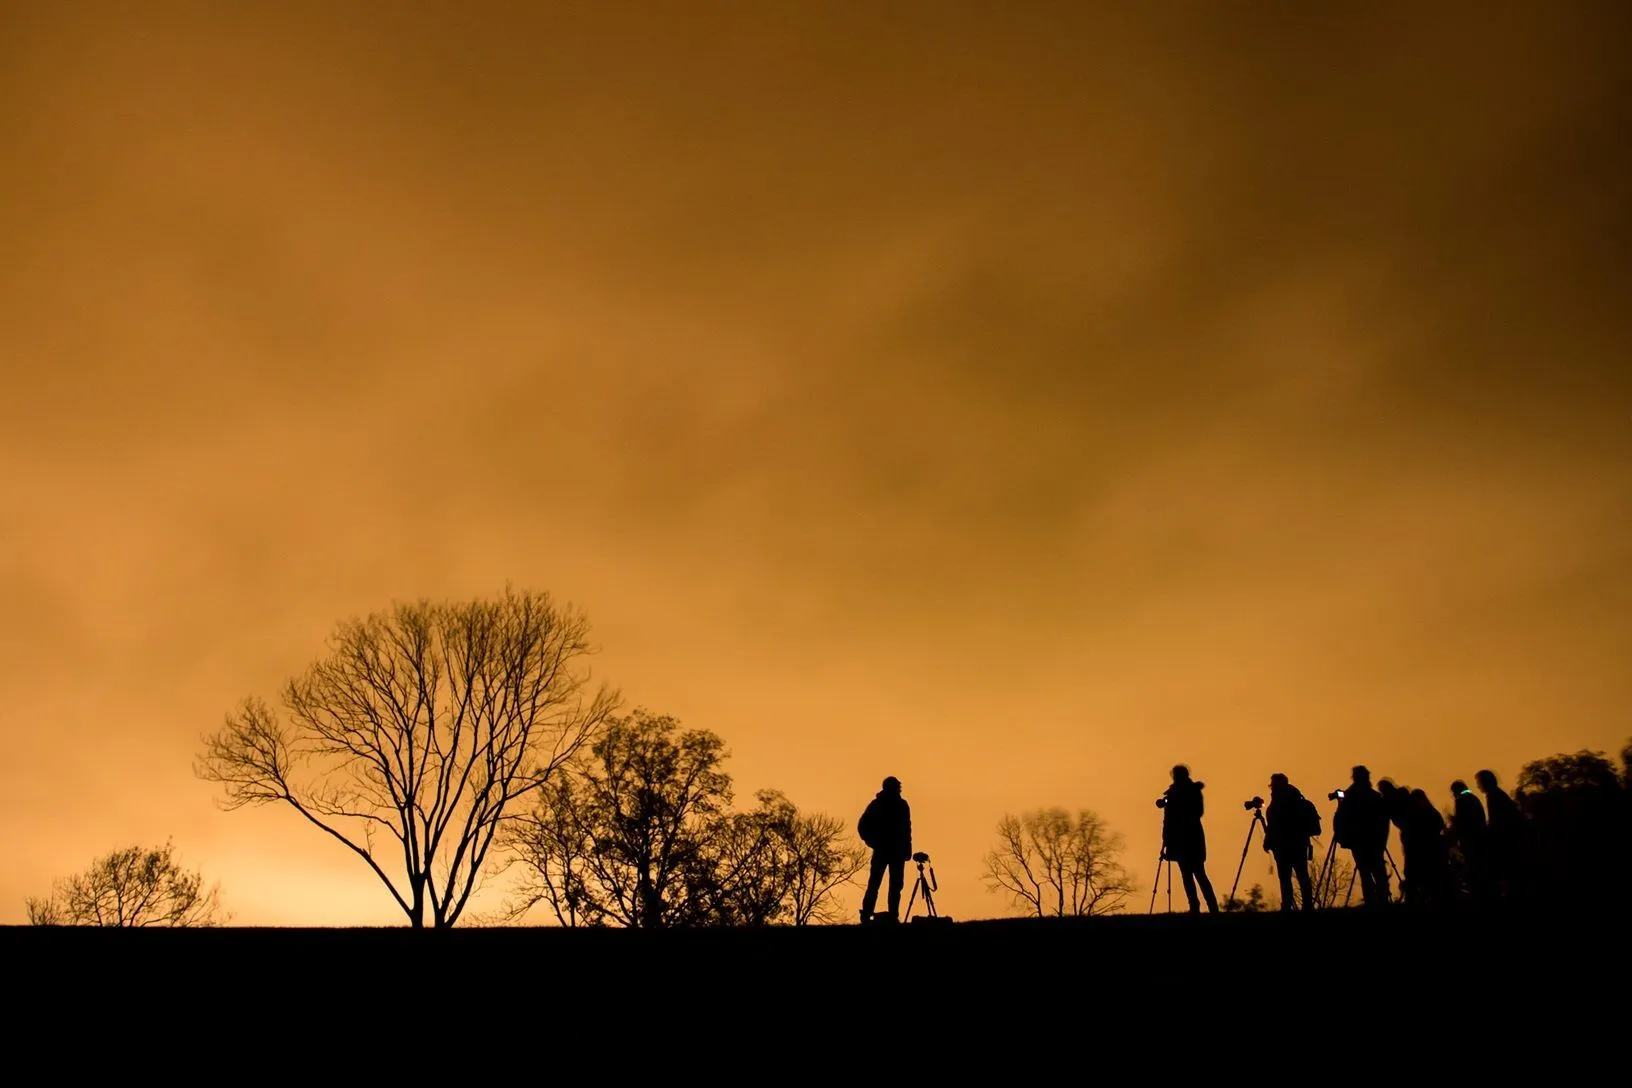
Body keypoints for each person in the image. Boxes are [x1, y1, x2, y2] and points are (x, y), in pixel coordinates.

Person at [1159, 764, 1218, 913]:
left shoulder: (1192, 791)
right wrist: (1166, 837)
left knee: (1198, 873)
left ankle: (1211, 906)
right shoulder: (1172, 794)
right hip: (1179, 838)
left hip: (1191, 837)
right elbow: (1168, 819)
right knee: (1187, 874)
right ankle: (1195, 906)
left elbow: (1198, 812)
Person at [856, 776, 912, 923]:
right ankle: (867, 914)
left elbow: (907, 829)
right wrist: (873, 842)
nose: (898, 790)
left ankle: (893, 916)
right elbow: (862, 826)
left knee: (895, 886)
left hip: (897, 852)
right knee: (875, 884)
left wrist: (907, 849)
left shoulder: (902, 805)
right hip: (882, 851)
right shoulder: (877, 805)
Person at [1333, 765, 1391, 907]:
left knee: (1366, 872)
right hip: (1373, 840)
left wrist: (1342, 836)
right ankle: (1382, 900)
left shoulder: (1350, 797)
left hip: (1360, 840)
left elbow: (1341, 817)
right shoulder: (1374, 797)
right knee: (1376, 872)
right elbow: (1384, 820)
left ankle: (1372, 900)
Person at [1263, 773, 1318, 910]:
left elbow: (1274, 825)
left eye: (1273, 784)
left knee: (1289, 877)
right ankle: (1305, 906)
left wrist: (1269, 840)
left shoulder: (1282, 803)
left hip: (1288, 846)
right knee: (1300, 876)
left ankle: (1289, 906)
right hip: (1295, 845)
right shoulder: (1296, 799)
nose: (1272, 787)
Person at [1475, 769, 1521, 899]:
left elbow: (1497, 823)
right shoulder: (1498, 795)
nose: (1478, 786)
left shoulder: (1494, 797)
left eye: (1479, 782)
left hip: (1507, 843)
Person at [1450, 779, 1490, 903]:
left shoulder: (1461, 801)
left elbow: (1462, 823)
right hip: (1481, 840)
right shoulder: (1474, 799)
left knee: (1474, 871)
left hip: (1471, 842)